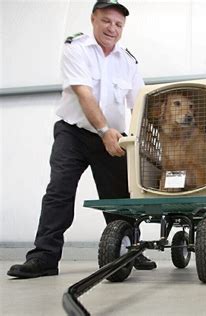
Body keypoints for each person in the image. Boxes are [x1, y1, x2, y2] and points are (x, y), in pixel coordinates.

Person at [7, 0, 156, 279]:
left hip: (114, 138)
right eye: (106, 21)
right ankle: (44, 258)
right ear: (93, 19)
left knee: (120, 198)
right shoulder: (76, 48)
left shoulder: (128, 61)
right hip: (73, 133)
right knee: (59, 192)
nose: (112, 28)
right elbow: (83, 93)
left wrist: (139, 140)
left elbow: (139, 105)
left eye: (118, 24)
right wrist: (103, 131)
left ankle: (130, 249)